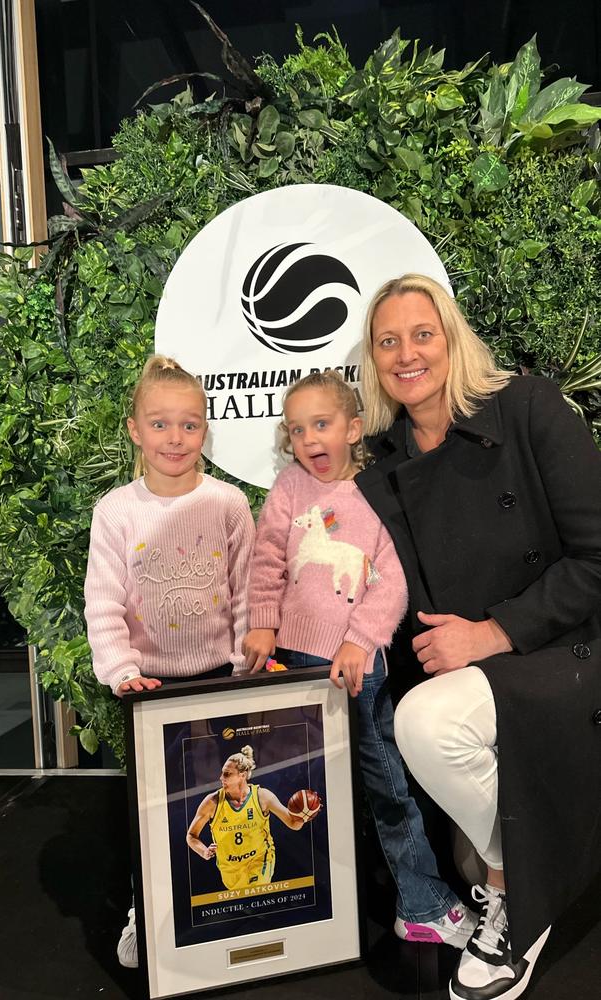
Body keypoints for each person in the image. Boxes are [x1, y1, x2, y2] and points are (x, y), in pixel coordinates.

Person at [356, 272, 601, 1000]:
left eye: (422, 334)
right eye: (388, 341)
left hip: (572, 646)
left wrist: (496, 631)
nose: (407, 354)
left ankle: (514, 893)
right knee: (420, 721)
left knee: (426, 721)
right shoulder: (381, 467)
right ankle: (517, 871)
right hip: (477, 672)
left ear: (454, 339)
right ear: (373, 360)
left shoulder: (528, 409)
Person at [242, 370, 478, 947]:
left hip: (357, 668)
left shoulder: (379, 490)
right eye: (296, 430)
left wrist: (361, 639)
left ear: (352, 428)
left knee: (387, 783)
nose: (309, 440)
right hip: (292, 661)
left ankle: (420, 901)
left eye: (321, 424)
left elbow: (394, 579)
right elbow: (268, 558)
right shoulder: (290, 491)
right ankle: (298, 901)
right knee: (297, 783)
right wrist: (262, 622)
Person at [84, 354, 255, 968]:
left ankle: (224, 909)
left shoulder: (230, 503)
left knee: (223, 799)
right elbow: (102, 601)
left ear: (205, 431)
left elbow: (246, 591)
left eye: (188, 425)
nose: (174, 438)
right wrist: (122, 669)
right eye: (160, 424)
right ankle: (148, 910)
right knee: (155, 811)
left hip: (218, 684)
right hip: (147, 692)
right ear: (134, 429)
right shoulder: (116, 511)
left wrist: (243, 666)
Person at [186, 745, 319, 890]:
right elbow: (191, 835)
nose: (221, 778)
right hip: (229, 868)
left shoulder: (263, 797)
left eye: (227, 774)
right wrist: (204, 851)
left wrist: (304, 814)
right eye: (222, 773)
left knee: (257, 894)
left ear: (242, 775)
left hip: (260, 859)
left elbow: (293, 823)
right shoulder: (212, 802)